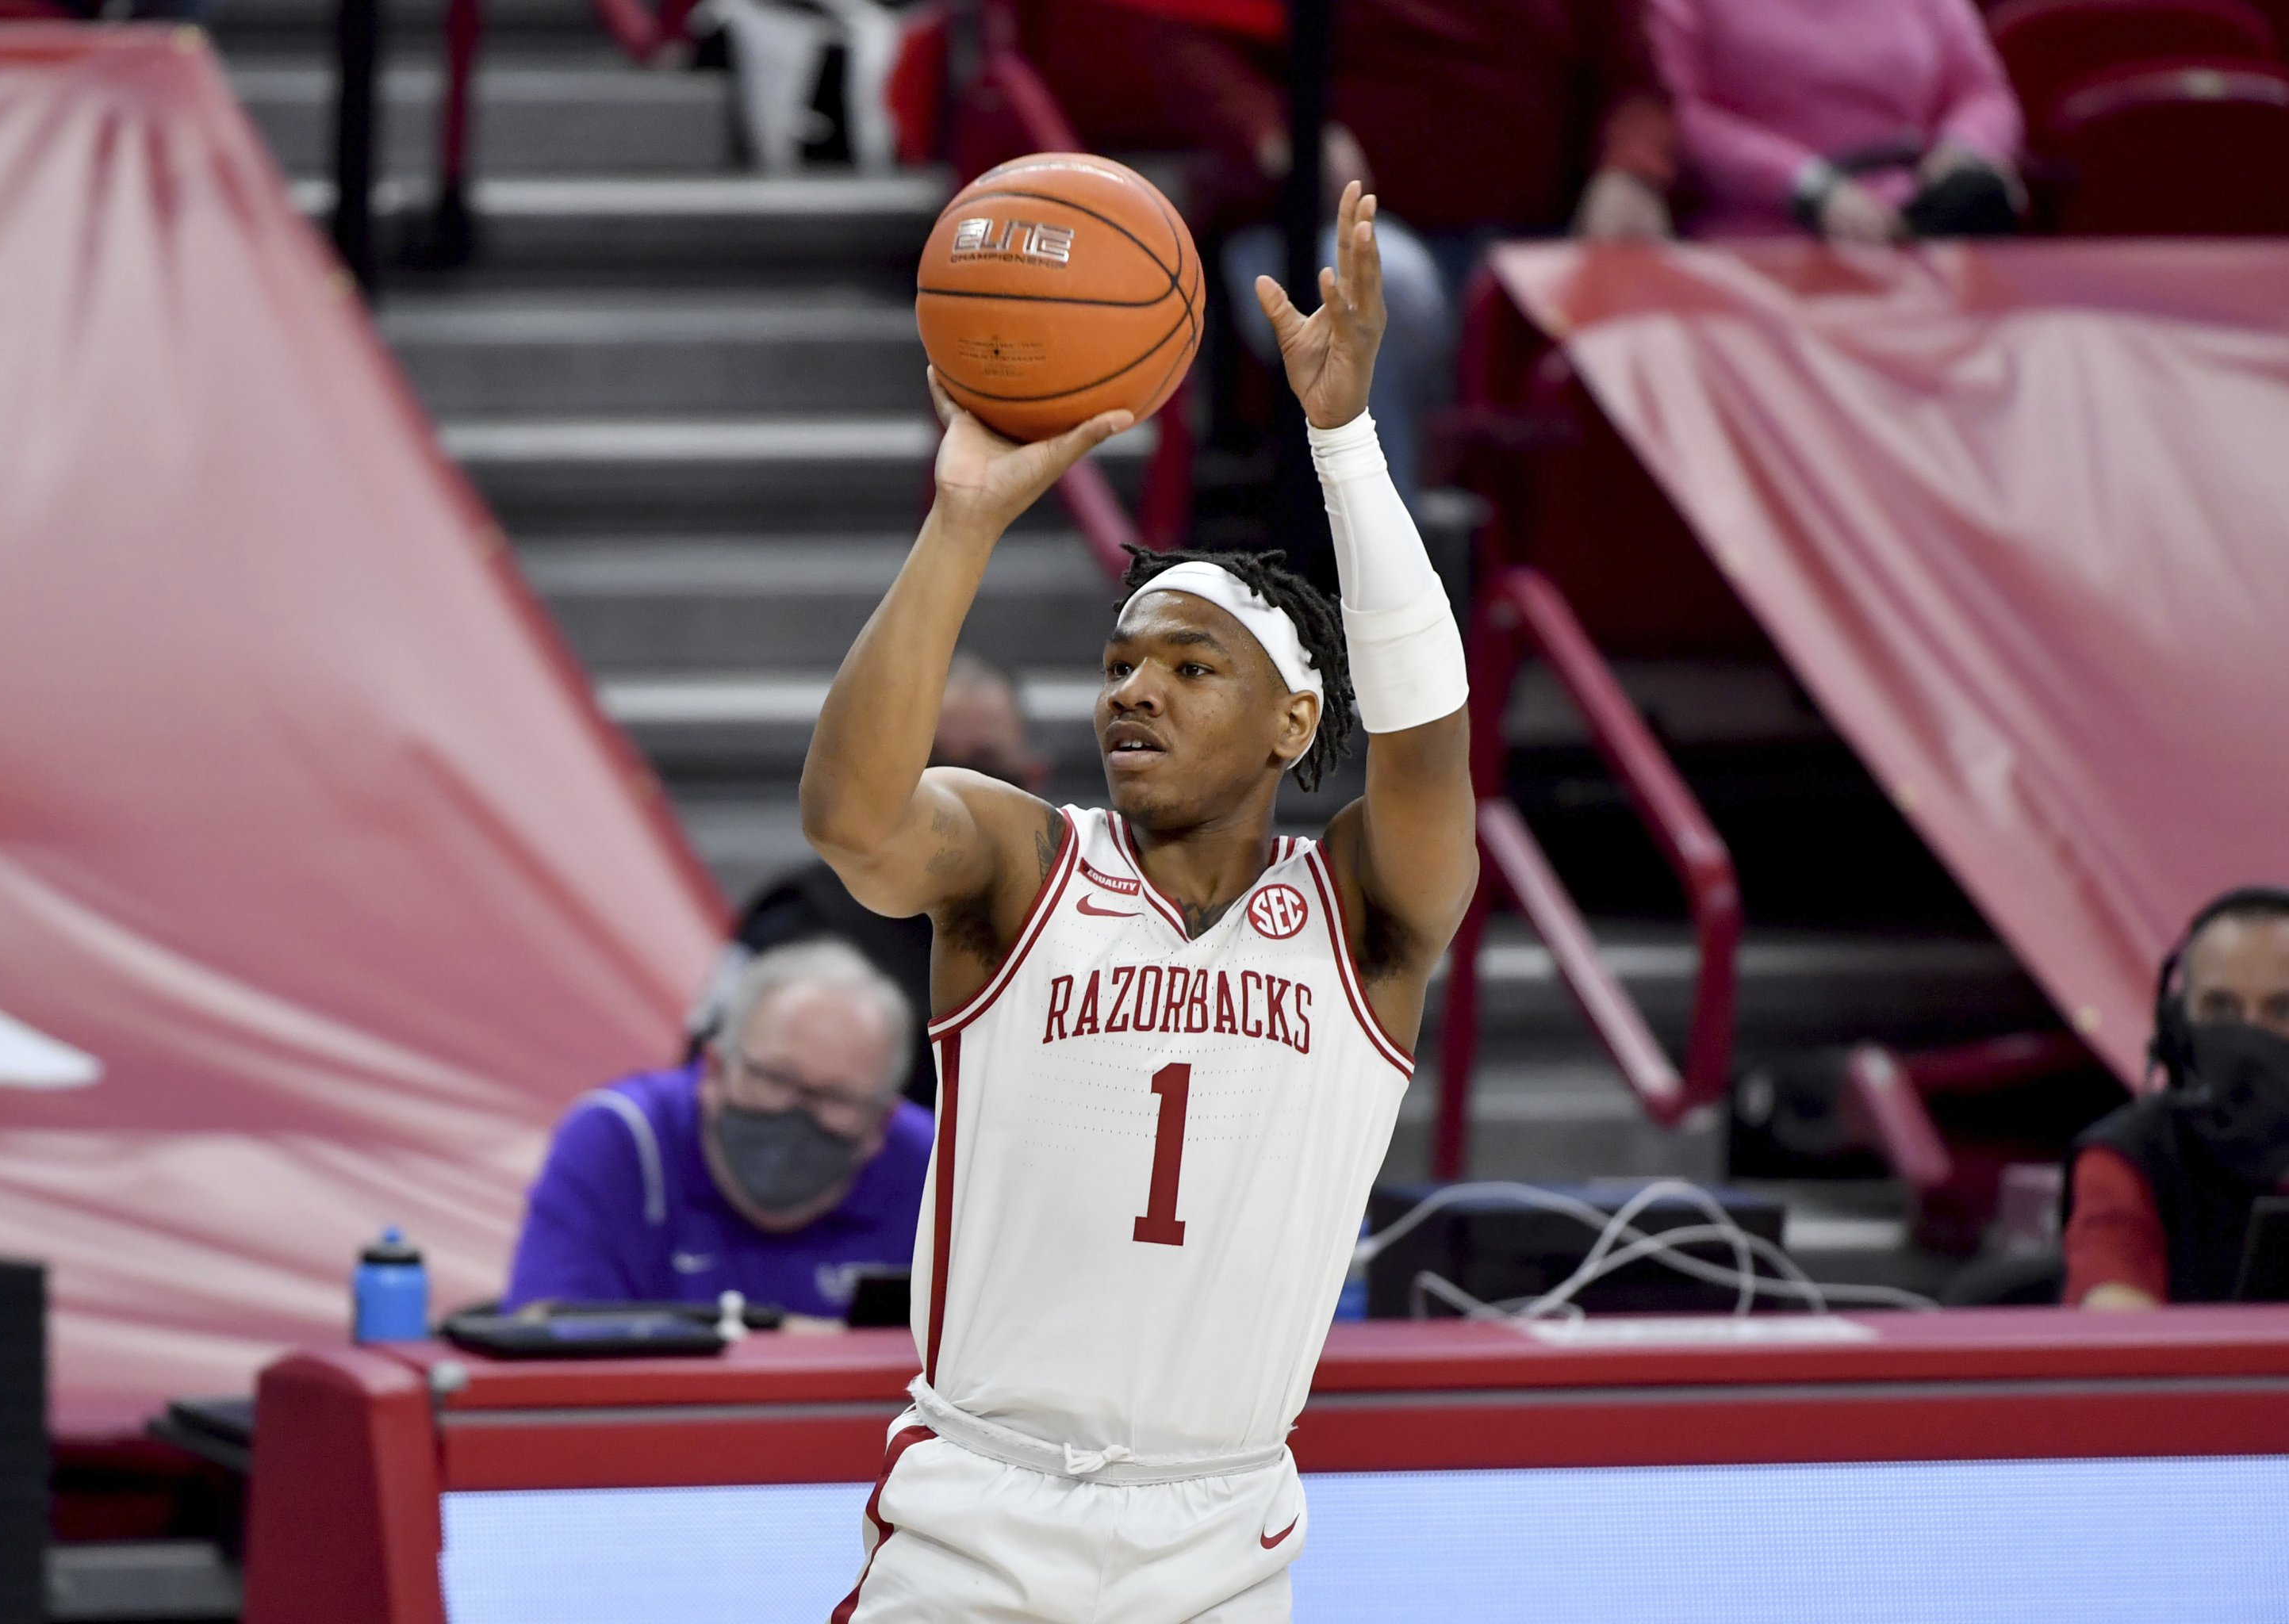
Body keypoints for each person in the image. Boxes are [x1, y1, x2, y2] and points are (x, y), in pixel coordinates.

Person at [806, 185, 1475, 1620]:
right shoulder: (1022, 863)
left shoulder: (1364, 918)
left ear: (1296, 722)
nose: (1133, 690)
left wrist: (1346, 442)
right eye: (1119, 664)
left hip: (1221, 1530)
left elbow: (1429, 737)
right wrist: (965, 518)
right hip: (978, 1509)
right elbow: (852, 821)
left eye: (1188, 664)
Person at [1025, 0, 1675, 515]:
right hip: (1312, 231)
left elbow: (1635, 82)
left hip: (1530, 247)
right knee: (1381, 291)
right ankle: (1391, 604)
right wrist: (1278, 132)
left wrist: (1632, 170)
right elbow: (1190, 45)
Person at [504, 940, 932, 1320]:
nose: (799, 1114)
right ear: (713, 1069)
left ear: (883, 1122)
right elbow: (541, 1332)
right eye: (776, 1080)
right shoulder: (624, 1140)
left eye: (837, 1098)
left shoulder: (939, 1172)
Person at [731, 652, 1048, 1109]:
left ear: (1035, 778)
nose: (959, 790)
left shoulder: (1086, 919)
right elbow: (712, 1079)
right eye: (931, 758)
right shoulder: (802, 917)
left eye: (985, 764)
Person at [2065, 888, 2289, 1309]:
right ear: (2176, 1026)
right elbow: (2118, 1330)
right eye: (2221, 1008)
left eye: (2283, 1010)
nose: (2249, 1035)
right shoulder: (2127, 1157)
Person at [1648, 0, 2024, 242]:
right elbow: (1675, 110)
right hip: (1758, 245)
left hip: (1918, 235)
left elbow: (1983, 92)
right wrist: (1805, 185)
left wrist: (1963, 151)